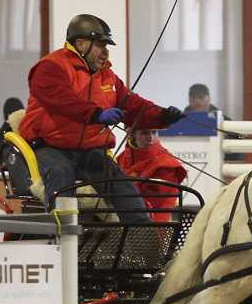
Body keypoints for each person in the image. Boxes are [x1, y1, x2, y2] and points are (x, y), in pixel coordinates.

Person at [18, 14, 185, 221]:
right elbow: (64, 101)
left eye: (107, 45)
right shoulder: (51, 67)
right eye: (101, 45)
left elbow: (135, 107)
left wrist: (162, 115)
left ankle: (144, 244)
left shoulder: (108, 76)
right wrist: (97, 114)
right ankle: (61, 238)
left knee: (123, 186)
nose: (105, 51)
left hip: (90, 151)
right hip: (52, 148)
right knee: (60, 172)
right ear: (80, 44)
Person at [116, 128, 187, 222]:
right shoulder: (121, 158)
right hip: (119, 222)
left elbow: (151, 202)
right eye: (144, 133)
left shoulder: (166, 163)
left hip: (152, 226)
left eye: (154, 132)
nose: (151, 138)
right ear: (131, 135)